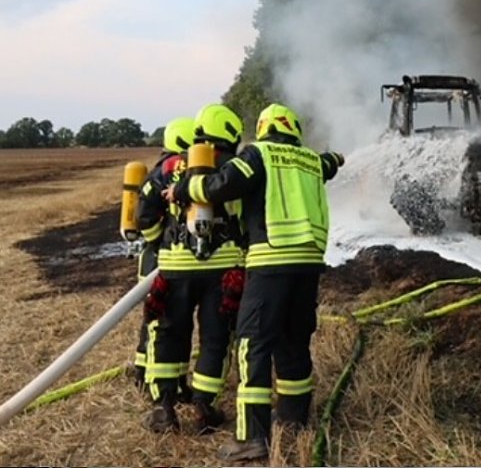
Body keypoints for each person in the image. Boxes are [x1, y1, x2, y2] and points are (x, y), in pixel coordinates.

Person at [167, 103, 344, 461]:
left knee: (253, 344)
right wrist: (337, 157)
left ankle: (251, 436)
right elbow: (331, 163)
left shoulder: (259, 153)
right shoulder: (311, 160)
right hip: (308, 265)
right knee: (294, 339)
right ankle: (294, 419)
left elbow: (222, 184)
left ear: (262, 129)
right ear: (294, 129)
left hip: (270, 262)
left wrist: (186, 188)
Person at [141, 103, 247, 434]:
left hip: (174, 269)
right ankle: (204, 407)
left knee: (168, 332)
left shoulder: (170, 165)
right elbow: (244, 217)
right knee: (216, 337)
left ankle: (164, 408)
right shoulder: (233, 167)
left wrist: (163, 244)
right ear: (229, 132)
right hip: (223, 271)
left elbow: (144, 214)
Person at [133, 116, 196, 394]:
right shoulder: (181, 170)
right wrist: (160, 239)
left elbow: (145, 215)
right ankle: (146, 374)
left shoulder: (162, 170)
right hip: (159, 258)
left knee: (162, 321)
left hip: (161, 255)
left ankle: (165, 379)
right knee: (160, 322)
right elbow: (145, 219)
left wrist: (158, 239)